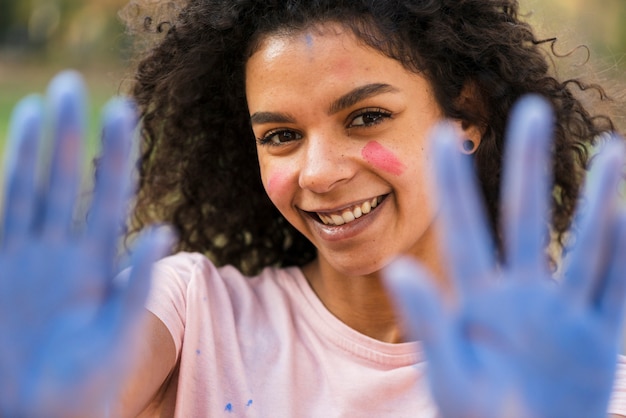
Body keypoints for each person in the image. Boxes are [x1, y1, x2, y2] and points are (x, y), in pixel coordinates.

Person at [0, 0, 625, 417]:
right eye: (280, 136)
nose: (320, 173)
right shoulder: (188, 312)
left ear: (466, 117)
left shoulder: (570, 369)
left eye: (366, 117)